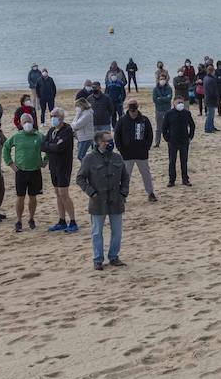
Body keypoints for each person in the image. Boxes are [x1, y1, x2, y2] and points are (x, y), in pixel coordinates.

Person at [76, 131, 130, 270]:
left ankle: (114, 257)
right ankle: (98, 259)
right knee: (97, 232)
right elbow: (80, 178)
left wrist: (123, 194)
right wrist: (91, 193)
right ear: (99, 142)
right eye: (107, 141)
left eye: (110, 140)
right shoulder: (89, 159)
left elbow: (125, 177)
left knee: (117, 232)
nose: (110, 143)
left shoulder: (117, 158)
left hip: (116, 200)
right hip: (98, 201)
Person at [2, 115, 45, 232]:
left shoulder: (39, 135)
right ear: (21, 124)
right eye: (24, 121)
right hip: (21, 171)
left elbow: (49, 147)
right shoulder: (16, 136)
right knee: (20, 197)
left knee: (33, 196)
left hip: (35, 171)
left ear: (33, 121)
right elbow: (5, 148)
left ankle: (31, 218)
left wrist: (45, 160)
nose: (27, 123)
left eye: (29, 121)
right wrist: (10, 163)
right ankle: (19, 220)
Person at [41, 107, 78, 231]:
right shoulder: (52, 130)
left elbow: (59, 148)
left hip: (64, 166)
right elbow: (43, 145)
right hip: (53, 166)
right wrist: (52, 146)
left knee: (64, 194)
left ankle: (73, 221)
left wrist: (50, 146)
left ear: (61, 117)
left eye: (55, 116)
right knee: (58, 194)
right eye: (51, 115)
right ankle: (62, 220)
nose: (52, 118)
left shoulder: (67, 130)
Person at [114, 99, 157, 203]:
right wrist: (121, 150)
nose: (133, 113)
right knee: (125, 176)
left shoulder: (144, 120)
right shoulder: (122, 120)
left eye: (135, 110)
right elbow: (117, 136)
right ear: (128, 109)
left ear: (137, 108)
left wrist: (146, 148)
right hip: (127, 154)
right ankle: (123, 195)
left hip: (142, 153)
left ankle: (150, 193)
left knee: (146, 174)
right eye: (131, 110)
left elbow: (149, 135)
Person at [161, 98, 195, 187]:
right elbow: (164, 127)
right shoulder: (169, 114)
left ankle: (185, 179)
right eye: (178, 102)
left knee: (184, 161)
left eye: (181, 102)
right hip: (173, 141)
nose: (180, 104)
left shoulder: (186, 113)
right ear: (174, 103)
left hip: (184, 140)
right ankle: (171, 180)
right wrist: (167, 138)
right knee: (172, 161)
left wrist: (190, 137)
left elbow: (192, 125)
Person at [151, 72, 173, 148]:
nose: (162, 80)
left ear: (166, 80)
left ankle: (170, 141)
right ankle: (157, 142)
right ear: (158, 80)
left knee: (170, 127)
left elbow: (169, 98)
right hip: (159, 110)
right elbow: (155, 100)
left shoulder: (169, 88)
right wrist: (164, 98)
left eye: (163, 79)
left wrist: (160, 98)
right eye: (161, 79)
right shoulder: (155, 89)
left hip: (168, 110)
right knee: (158, 128)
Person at [202, 68, 220, 133]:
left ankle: (211, 127)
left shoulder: (206, 78)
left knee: (211, 114)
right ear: (211, 72)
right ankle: (207, 128)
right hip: (210, 99)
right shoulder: (210, 80)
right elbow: (212, 91)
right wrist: (216, 97)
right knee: (210, 114)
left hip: (207, 98)